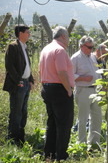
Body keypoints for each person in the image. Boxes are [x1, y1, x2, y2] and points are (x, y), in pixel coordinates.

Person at [39, 26, 74, 161]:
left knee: (52, 122)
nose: (69, 40)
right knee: (64, 124)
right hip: (60, 89)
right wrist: (69, 89)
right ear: (63, 36)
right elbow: (61, 72)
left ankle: (49, 154)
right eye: (68, 37)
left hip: (47, 87)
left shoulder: (46, 49)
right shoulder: (59, 50)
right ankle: (61, 156)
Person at [3, 24, 34, 147]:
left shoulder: (24, 47)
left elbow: (27, 65)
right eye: (27, 32)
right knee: (16, 112)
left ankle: (21, 137)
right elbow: (9, 66)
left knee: (23, 111)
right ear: (20, 33)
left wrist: (30, 80)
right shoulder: (13, 46)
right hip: (19, 84)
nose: (29, 34)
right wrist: (18, 81)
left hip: (26, 83)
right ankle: (13, 139)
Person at [71, 36, 102, 147]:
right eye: (89, 47)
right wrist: (83, 78)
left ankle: (94, 142)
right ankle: (82, 143)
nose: (91, 49)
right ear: (81, 46)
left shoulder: (93, 57)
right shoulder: (75, 58)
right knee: (83, 118)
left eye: (92, 47)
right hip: (83, 90)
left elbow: (97, 72)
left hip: (95, 90)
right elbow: (70, 75)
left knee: (97, 117)